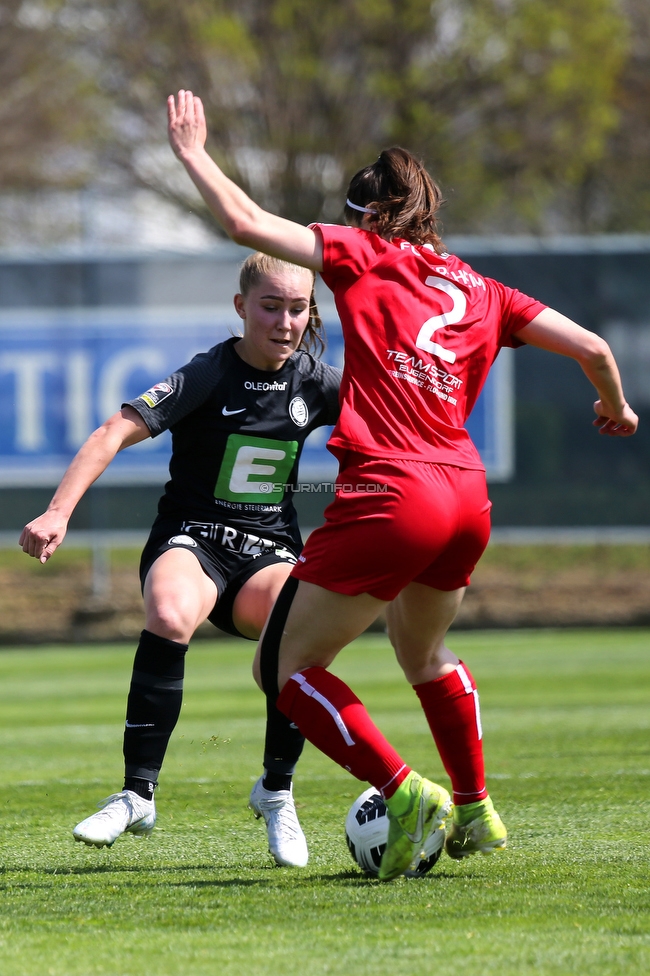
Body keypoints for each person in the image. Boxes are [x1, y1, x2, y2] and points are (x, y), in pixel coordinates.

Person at [167, 89, 638, 881]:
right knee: (424, 651)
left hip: (394, 493)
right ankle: (477, 805)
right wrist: (615, 405)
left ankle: (402, 790)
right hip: (467, 495)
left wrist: (192, 155)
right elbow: (591, 343)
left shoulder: (363, 253)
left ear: (363, 216)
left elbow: (247, 225)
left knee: (280, 671)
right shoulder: (486, 291)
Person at [19, 251, 342, 868]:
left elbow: (396, 430)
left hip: (268, 551)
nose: (284, 321)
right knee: (168, 614)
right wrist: (58, 512)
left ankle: (277, 791)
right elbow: (112, 430)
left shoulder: (318, 383)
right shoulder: (207, 375)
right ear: (241, 307)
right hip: (193, 538)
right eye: (270, 306)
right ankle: (137, 792)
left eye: (297, 308)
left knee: (292, 630)